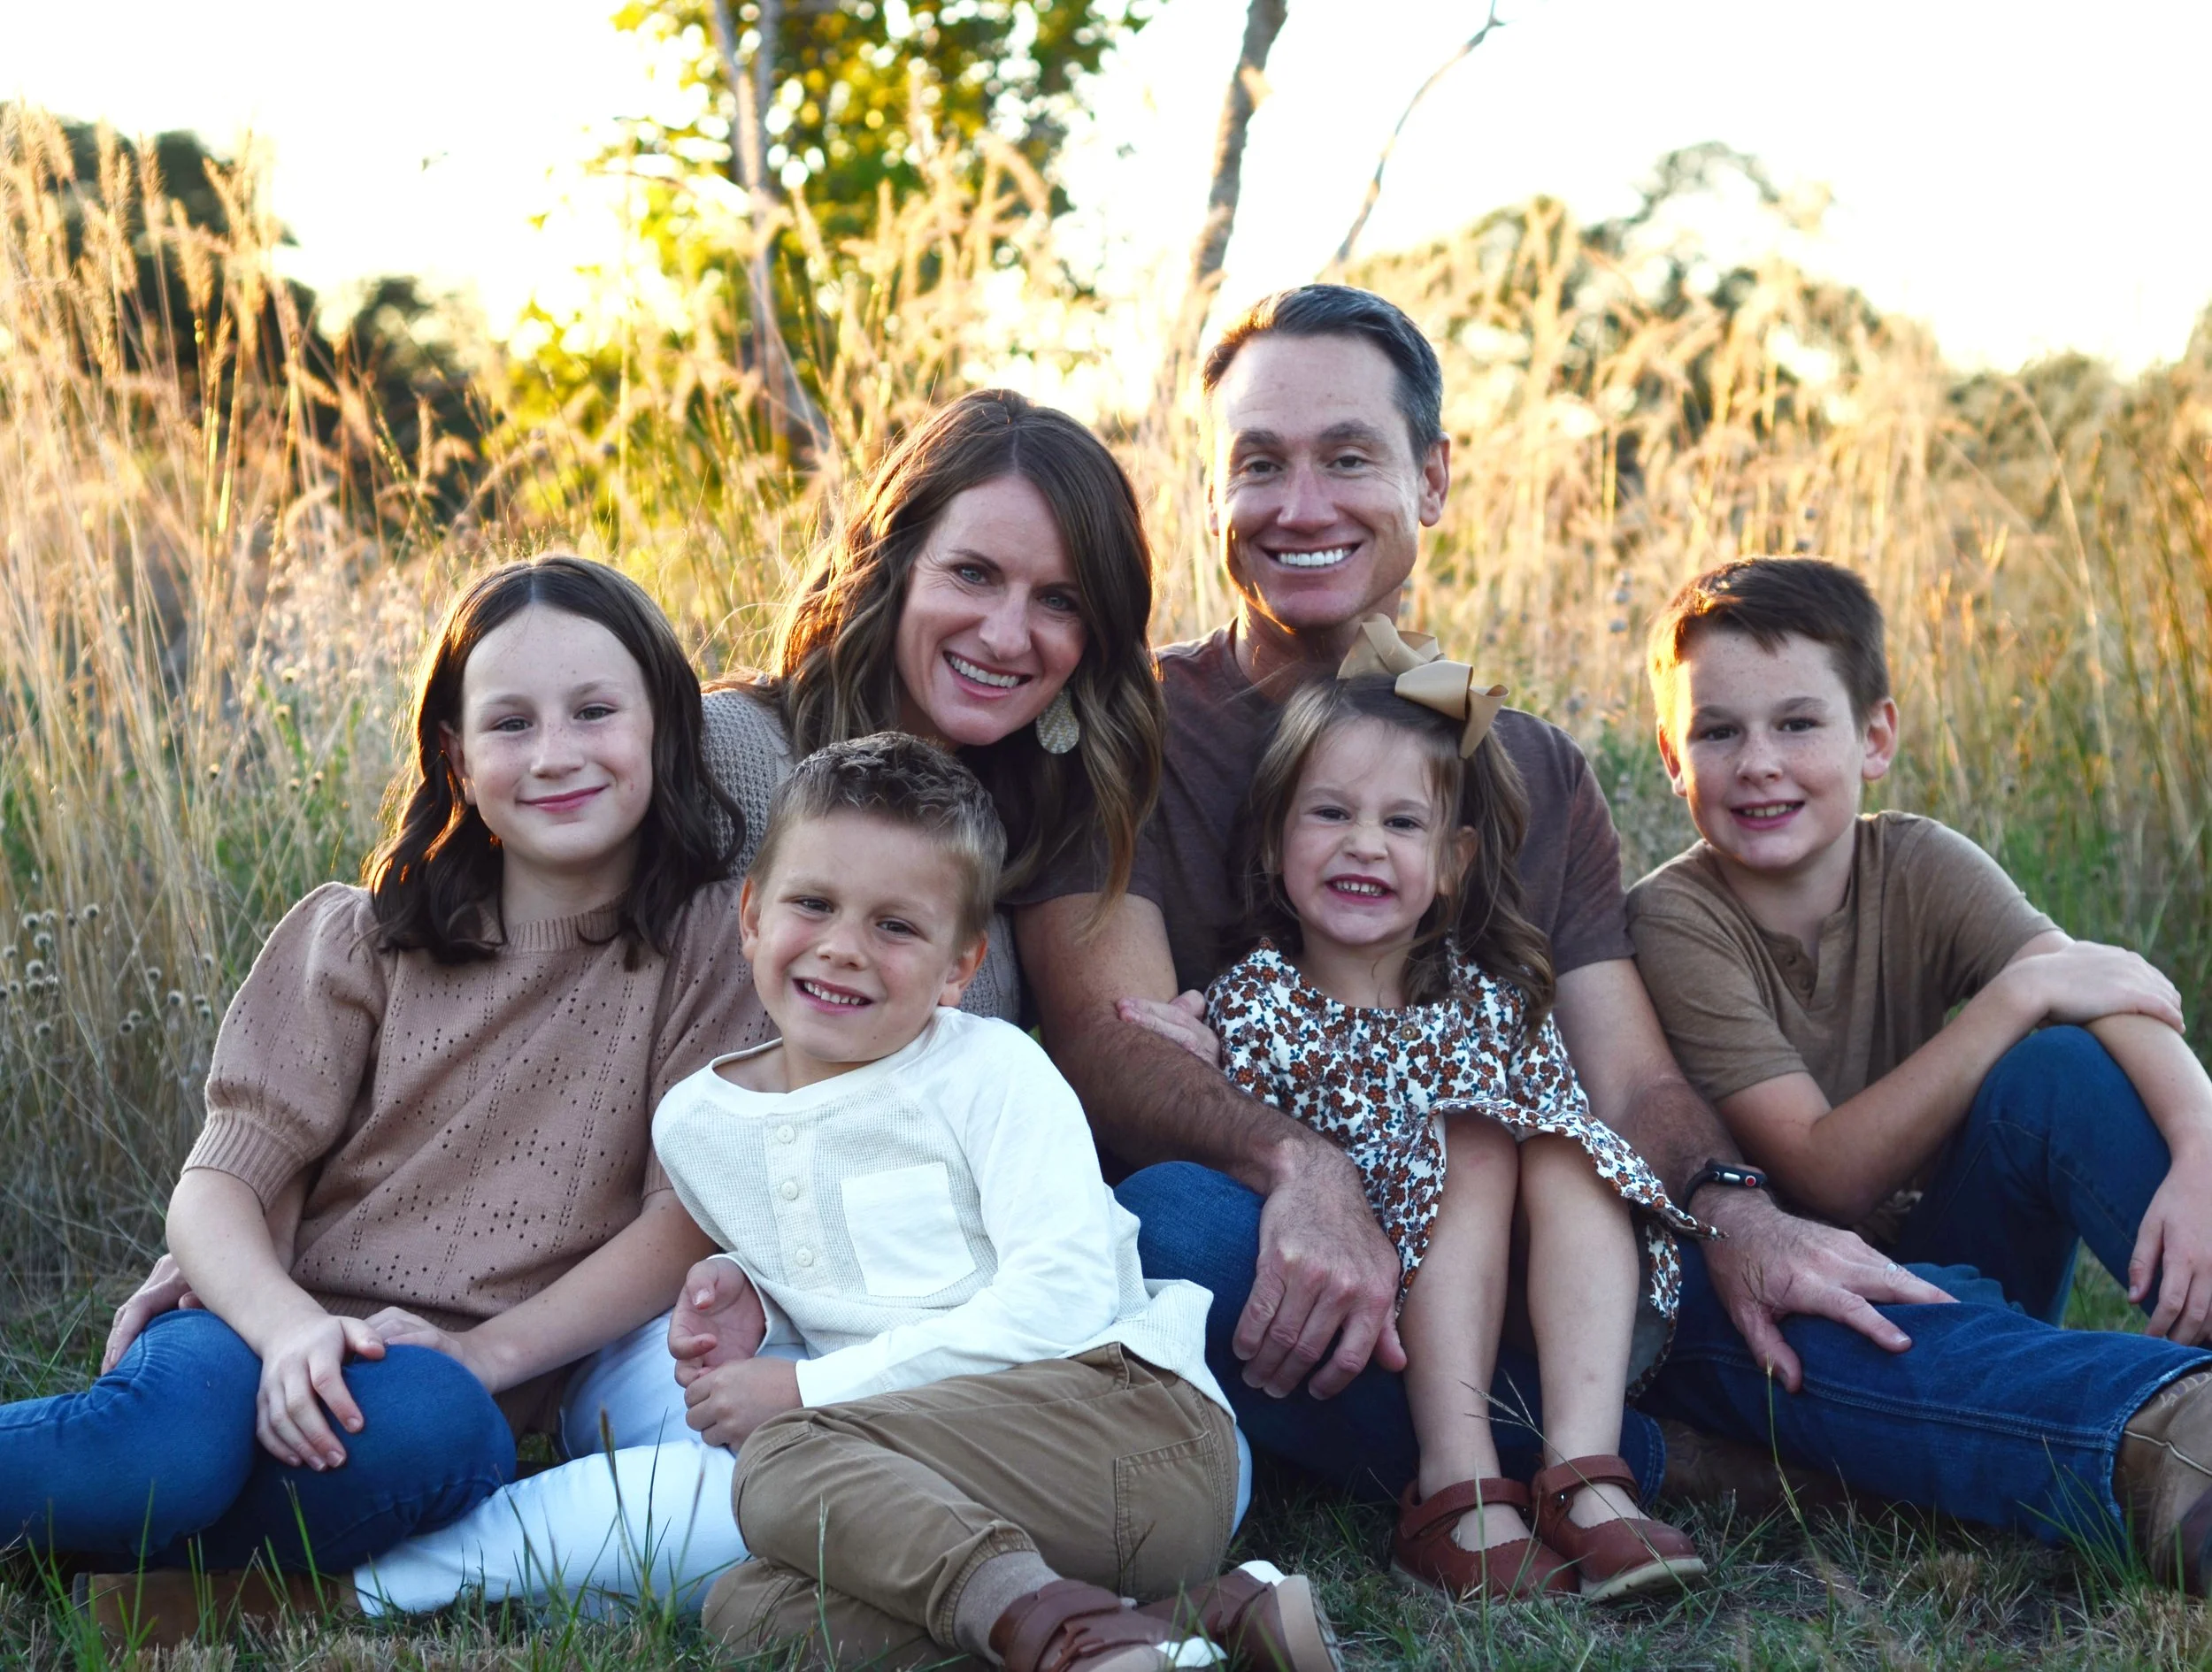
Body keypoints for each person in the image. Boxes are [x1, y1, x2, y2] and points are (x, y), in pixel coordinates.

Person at [1015, 282, 2212, 1589]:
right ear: (1209, 495)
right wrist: (1303, 1167)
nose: (1301, 504)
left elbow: (1632, 1076)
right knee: (1177, 1229)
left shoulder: (1516, 759)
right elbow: (1109, 1048)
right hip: (1305, 1257)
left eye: (1348, 457)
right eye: (1259, 464)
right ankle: (1666, 1455)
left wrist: (1736, 1212)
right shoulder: (1127, 730)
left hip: (1555, 1254)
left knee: (1760, 1281)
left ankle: (2161, 1437)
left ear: (1432, 479)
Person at [344, 388, 1174, 1619]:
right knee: (749, 1460)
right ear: (892, 566)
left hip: (918, 1302)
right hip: (709, 1291)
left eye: (1060, 601)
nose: (1011, 631)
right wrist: (251, 1210)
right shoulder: (739, 758)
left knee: (885, 1488)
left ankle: (922, 1594)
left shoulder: (1042, 813)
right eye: (977, 574)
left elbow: (1072, 1073)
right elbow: (536, 1005)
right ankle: (443, 1566)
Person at [4, 556, 761, 1631]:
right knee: (161, 1451)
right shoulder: (362, 938)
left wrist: (485, 1353)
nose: (554, 755)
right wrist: (287, 1331)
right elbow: (217, 1185)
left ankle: (120, 1561)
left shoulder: (711, 947)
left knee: (440, 1437)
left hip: (435, 1389)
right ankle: (134, 1537)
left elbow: (680, 1221)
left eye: (595, 711)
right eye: (510, 724)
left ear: (664, 730)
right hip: (262, 1321)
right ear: (454, 756)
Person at [565, 733, 1340, 1672]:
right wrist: (753, 1294)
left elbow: (1062, 1302)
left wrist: (802, 1389)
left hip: (1133, 1437)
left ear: (958, 967)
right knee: (750, 1614)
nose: (844, 948)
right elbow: (872, 1273)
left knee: (777, 1464)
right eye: (813, 904)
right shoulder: (697, 1125)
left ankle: (1062, 1635)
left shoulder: (990, 1070)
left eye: (896, 927)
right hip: (955, 1487)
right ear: (752, 915)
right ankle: (1191, 1629)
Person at [1201, 648, 1706, 1600]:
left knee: (1558, 1144)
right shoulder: (1248, 1006)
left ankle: (1584, 1479)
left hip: (1536, 1315)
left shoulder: (1499, 1003)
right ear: (1271, 840)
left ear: (1451, 862)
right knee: (1472, 1142)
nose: (1363, 844)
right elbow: (1238, 1187)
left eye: (1402, 823)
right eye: (1329, 814)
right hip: (1371, 1320)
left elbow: (1571, 1161)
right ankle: (1457, 1485)